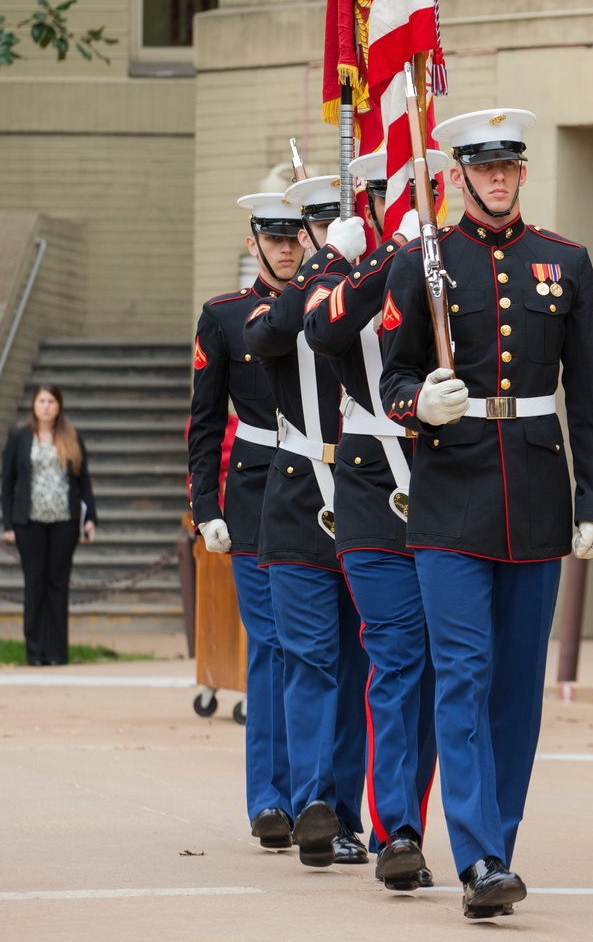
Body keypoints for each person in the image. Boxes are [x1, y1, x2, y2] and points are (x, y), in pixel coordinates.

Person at [379, 107, 593, 921]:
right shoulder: (422, 262)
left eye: (511, 166)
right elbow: (391, 378)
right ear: (460, 175)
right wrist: (420, 404)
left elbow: (588, 397)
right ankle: (476, 852)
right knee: (464, 677)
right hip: (451, 495)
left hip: (539, 496)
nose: (501, 179)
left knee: (516, 689)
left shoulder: (566, 263)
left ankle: (497, 851)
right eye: (486, 168)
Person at [303, 148, 446, 893]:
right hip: (367, 480)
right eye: (385, 193)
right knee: (396, 657)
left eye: (411, 192)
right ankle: (397, 830)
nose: (397, 203)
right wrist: (365, 255)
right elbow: (322, 332)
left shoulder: (445, 260)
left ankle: (408, 820)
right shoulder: (340, 267)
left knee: (434, 668)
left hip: (444, 480)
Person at [245, 174, 369, 870]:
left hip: (363, 489)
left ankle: (344, 814)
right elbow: (278, 331)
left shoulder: (362, 287)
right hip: (297, 496)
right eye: (302, 232)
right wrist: (328, 263)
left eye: (319, 230)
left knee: (357, 665)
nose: (305, 243)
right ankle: (312, 802)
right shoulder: (270, 307)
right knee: (309, 661)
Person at [187, 191, 303, 851]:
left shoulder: (323, 307)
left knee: (319, 648)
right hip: (255, 492)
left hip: (323, 489)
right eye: (274, 237)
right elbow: (205, 423)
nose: (286, 248)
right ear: (255, 240)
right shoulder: (225, 318)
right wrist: (207, 506)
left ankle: (320, 795)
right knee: (272, 646)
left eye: (296, 237)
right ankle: (269, 798)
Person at [1, 384, 96, 666]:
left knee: (57, 585)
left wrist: (90, 518)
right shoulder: (19, 437)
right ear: (33, 405)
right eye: (41, 400)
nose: (45, 406)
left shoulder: (71, 437)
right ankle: (35, 653)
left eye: (51, 401)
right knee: (34, 585)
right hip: (29, 524)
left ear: (59, 406)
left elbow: (83, 481)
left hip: (64, 523)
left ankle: (56, 653)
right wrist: (8, 523)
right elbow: (8, 485)